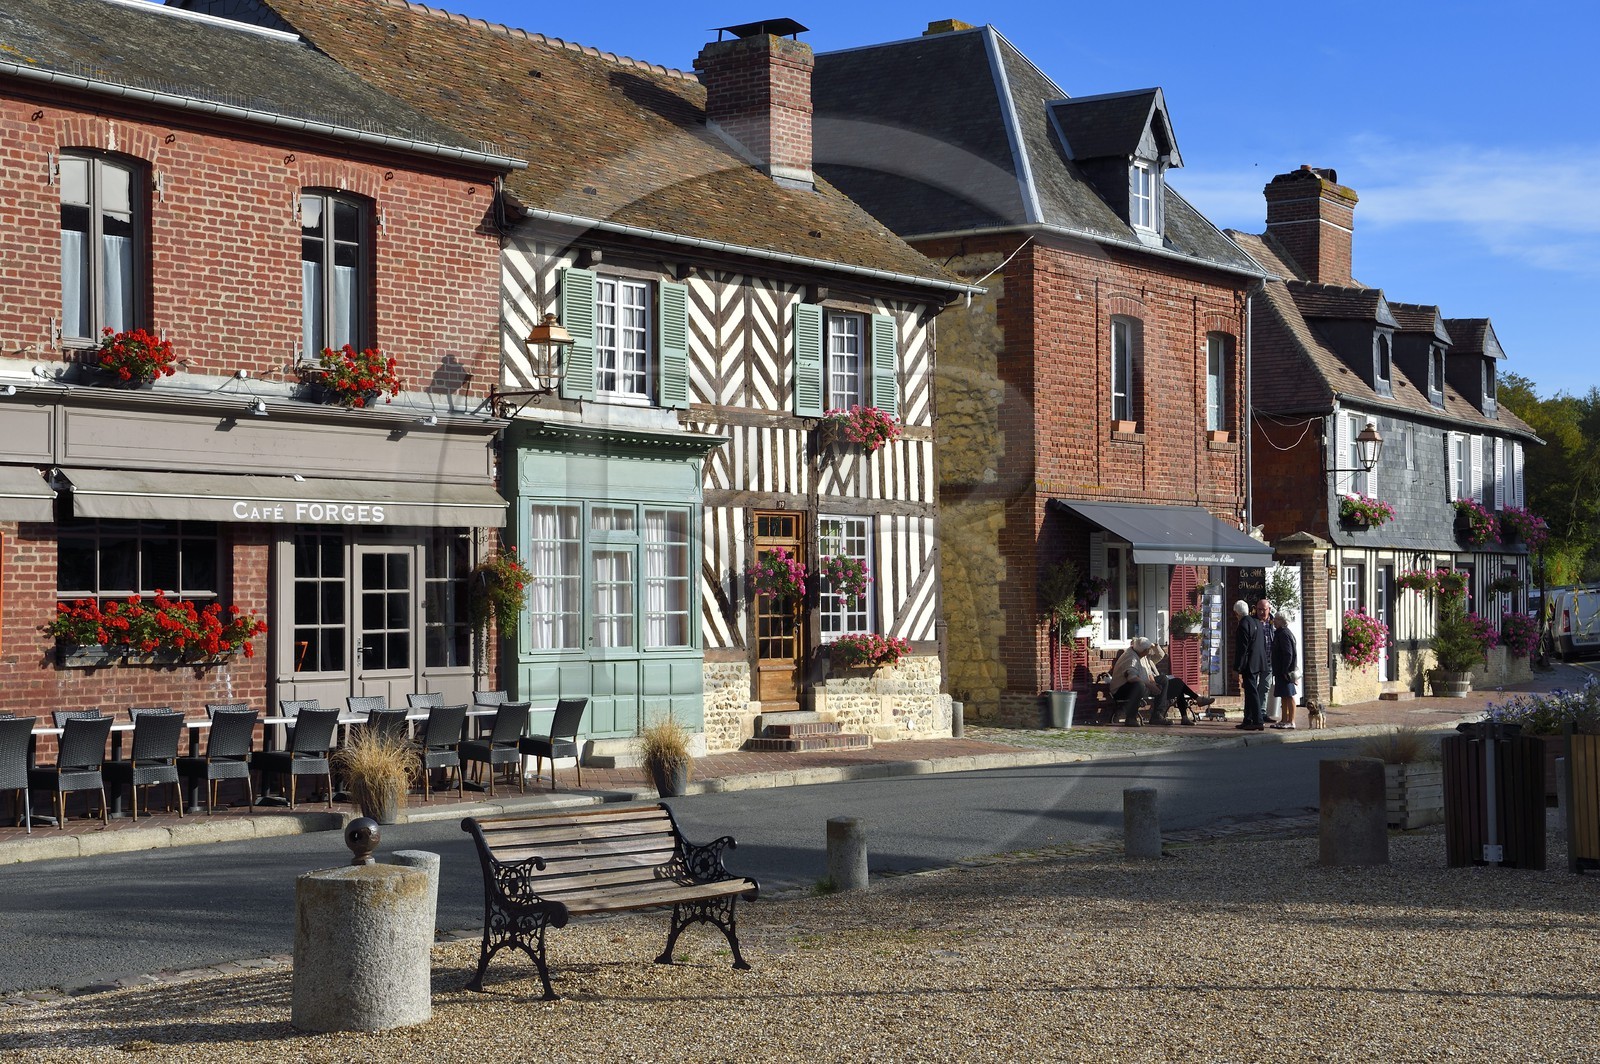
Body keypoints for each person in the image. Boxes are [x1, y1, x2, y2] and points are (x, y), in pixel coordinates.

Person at [1110, 636, 1164, 726]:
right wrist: (1150, 686)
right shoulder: (1130, 657)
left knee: (1163, 680)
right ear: (1145, 650)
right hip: (1121, 690)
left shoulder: (1141, 655)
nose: (1149, 651)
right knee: (1139, 685)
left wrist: (1153, 683)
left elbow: (1149, 672)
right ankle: (1131, 718)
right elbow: (1131, 678)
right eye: (1148, 650)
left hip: (1141, 685)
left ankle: (1157, 715)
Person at [1234, 599, 1269, 731]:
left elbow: (1242, 649)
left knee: (1252, 692)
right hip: (1258, 662)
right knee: (1249, 692)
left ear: (1237, 613)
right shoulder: (1256, 622)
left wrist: (1237, 668)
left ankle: (1258, 720)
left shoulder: (1243, 624)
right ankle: (1247, 719)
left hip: (1249, 664)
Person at [1270, 613, 1299, 729]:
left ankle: (1291, 721)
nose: (1274, 621)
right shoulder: (1280, 633)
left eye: (1277, 619)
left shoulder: (1284, 634)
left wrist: (1285, 670)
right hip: (1281, 670)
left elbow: (1288, 654)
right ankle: (1284, 719)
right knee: (1283, 695)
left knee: (1289, 694)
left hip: (1285, 671)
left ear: (1283, 621)